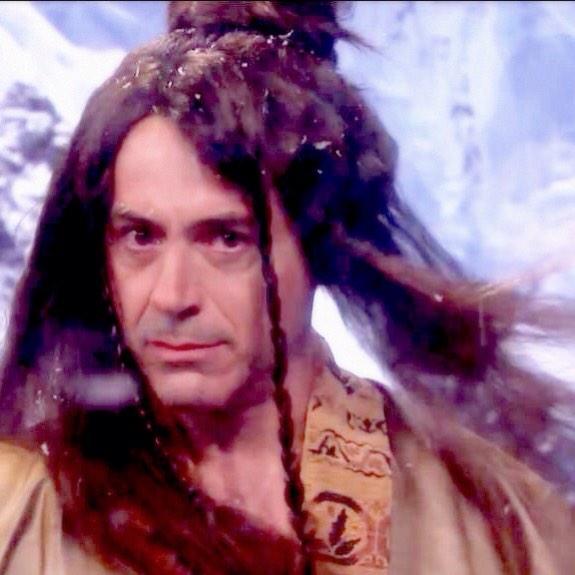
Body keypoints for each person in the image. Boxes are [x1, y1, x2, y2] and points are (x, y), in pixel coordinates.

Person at [0, 2, 574, 574]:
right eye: (140, 237)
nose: (172, 296)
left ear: (319, 247)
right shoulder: (22, 509)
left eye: (226, 239)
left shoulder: (491, 521)